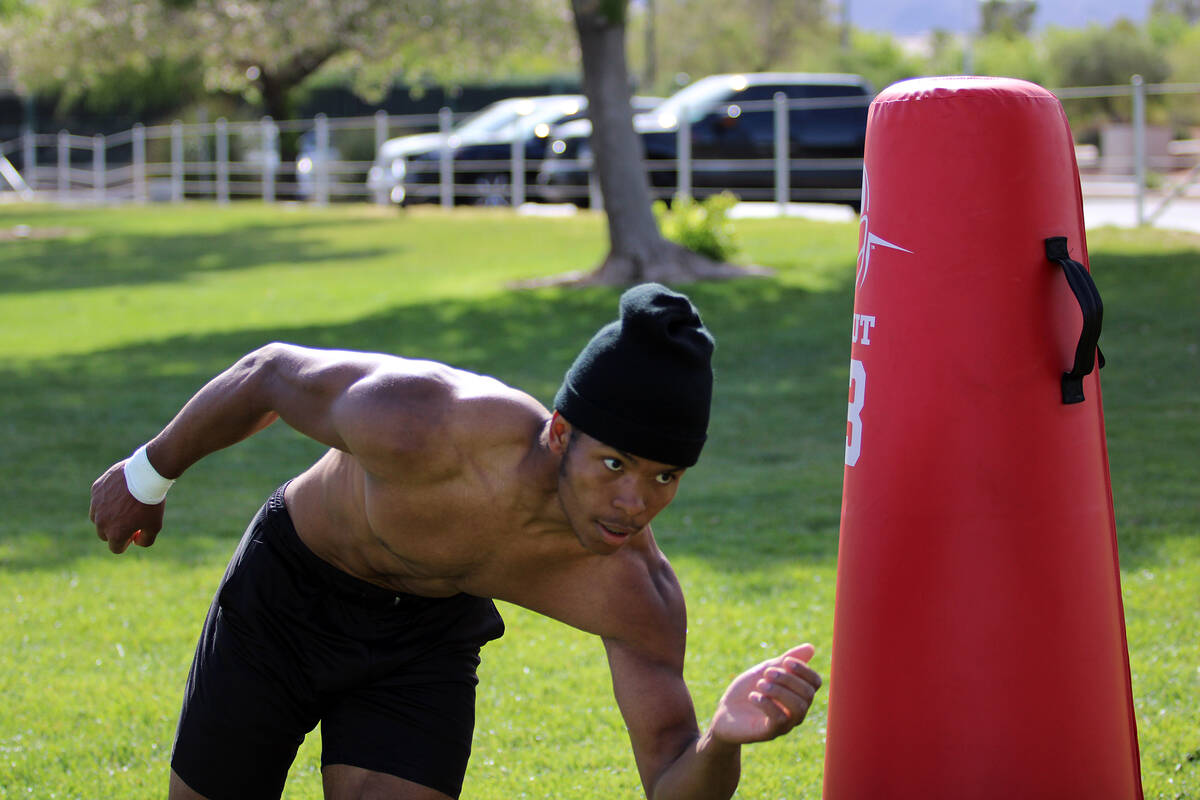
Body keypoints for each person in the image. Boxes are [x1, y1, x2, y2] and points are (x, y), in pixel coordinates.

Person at [89, 283, 822, 800]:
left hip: (425, 639)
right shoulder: (425, 422)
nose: (635, 502)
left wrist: (721, 742)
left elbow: (670, 782)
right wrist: (148, 474)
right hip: (288, 597)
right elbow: (269, 374)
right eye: (613, 464)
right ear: (560, 432)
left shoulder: (634, 589)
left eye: (666, 477)